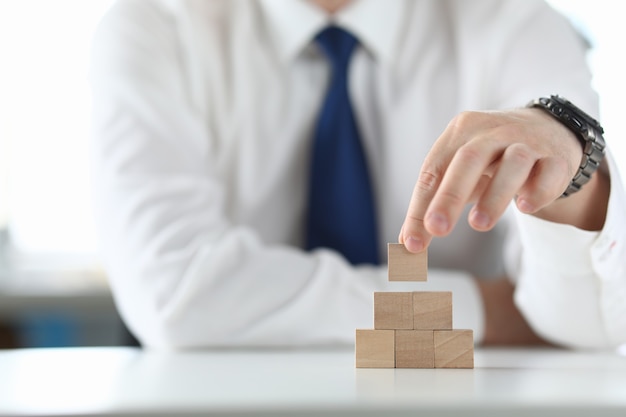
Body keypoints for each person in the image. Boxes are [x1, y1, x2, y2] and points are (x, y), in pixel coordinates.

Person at [89, 0, 626, 350]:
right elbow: (179, 296)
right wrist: (485, 312)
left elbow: (583, 325)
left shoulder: (518, 23)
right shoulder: (154, 27)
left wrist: (567, 183)